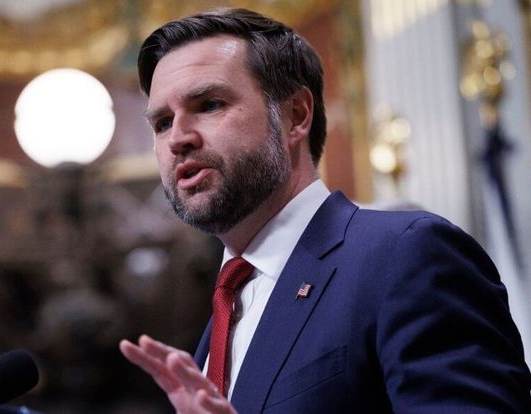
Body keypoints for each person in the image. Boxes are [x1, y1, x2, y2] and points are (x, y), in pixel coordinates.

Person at [118, 7, 531, 413]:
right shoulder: (223, 309)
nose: (178, 139)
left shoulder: (406, 255)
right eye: (162, 123)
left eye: (209, 105)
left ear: (296, 116)